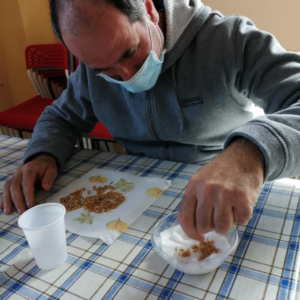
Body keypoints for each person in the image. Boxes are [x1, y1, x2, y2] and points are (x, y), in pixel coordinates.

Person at [1, 0, 300, 241]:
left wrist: (249, 156)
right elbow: (61, 116)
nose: (128, 76)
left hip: (230, 194)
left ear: (148, 9)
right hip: (139, 200)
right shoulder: (89, 74)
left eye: (130, 51)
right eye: (104, 69)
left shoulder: (229, 39)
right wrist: (42, 153)